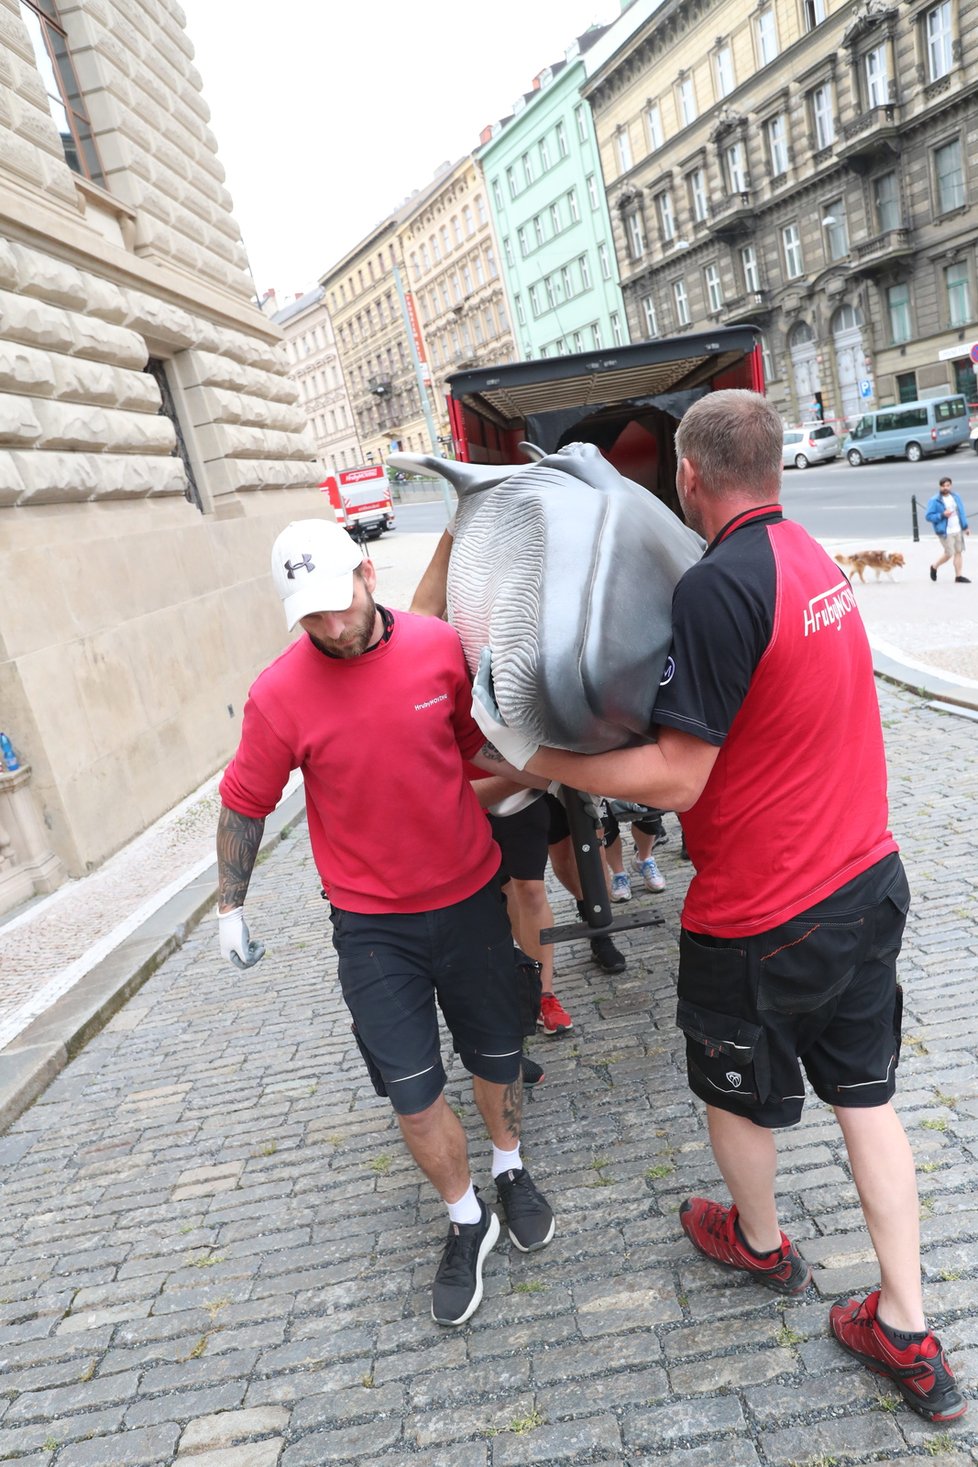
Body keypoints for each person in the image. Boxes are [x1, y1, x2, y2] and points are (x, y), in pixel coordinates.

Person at [472, 389, 965, 1424]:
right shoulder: (813, 561)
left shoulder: (715, 586)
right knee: (867, 1101)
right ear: (776, 468)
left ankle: (758, 1242)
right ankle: (909, 1327)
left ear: (689, 478)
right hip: (868, 882)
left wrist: (531, 755)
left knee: (732, 1093)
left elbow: (680, 778)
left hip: (764, 913)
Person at [216, 519, 554, 1329]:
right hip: (372, 928)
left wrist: (549, 772)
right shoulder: (277, 694)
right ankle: (466, 1215)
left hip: (471, 897)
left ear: (367, 574)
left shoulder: (439, 648)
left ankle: (509, 1164)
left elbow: (483, 745)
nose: (330, 627)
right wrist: (231, 903)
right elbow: (244, 801)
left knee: (498, 1054)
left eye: (339, 604)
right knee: (411, 1091)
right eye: (310, 616)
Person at [927, 476, 970, 583]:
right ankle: (934, 566)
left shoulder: (956, 497)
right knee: (949, 553)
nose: (945, 488)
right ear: (940, 486)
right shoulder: (934, 500)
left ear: (951, 485)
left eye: (948, 485)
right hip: (945, 531)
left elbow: (962, 512)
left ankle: (958, 576)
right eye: (943, 486)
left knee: (959, 551)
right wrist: (942, 515)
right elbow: (928, 516)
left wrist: (965, 527)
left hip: (957, 529)